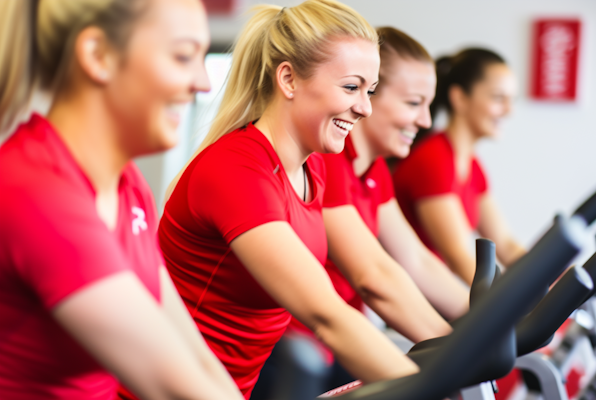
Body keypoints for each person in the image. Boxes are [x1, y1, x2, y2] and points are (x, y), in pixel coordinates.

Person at [159, 1, 420, 398]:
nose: (364, 108)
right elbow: (325, 315)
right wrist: (430, 388)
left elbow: (378, 272)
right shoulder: (238, 170)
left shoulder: (312, 170)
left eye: (370, 91)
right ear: (289, 79)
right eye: (351, 87)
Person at [0, 1, 243, 399]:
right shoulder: (34, 192)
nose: (203, 81)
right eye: (184, 56)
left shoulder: (129, 187)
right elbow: (173, 389)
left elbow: (192, 356)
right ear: (99, 56)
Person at [250, 26, 471, 400]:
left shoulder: (374, 170)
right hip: (295, 352)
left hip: (334, 345)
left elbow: (415, 260)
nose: (425, 121)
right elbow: (373, 277)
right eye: (413, 103)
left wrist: (488, 321)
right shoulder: (327, 163)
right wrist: (461, 347)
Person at [393, 48, 527, 285]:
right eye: (498, 98)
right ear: (460, 98)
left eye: (511, 100)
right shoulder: (433, 159)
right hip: (418, 301)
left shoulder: (472, 166)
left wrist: (553, 280)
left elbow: (505, 244)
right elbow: (460, 258)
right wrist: (515, 304)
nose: (509, 110)